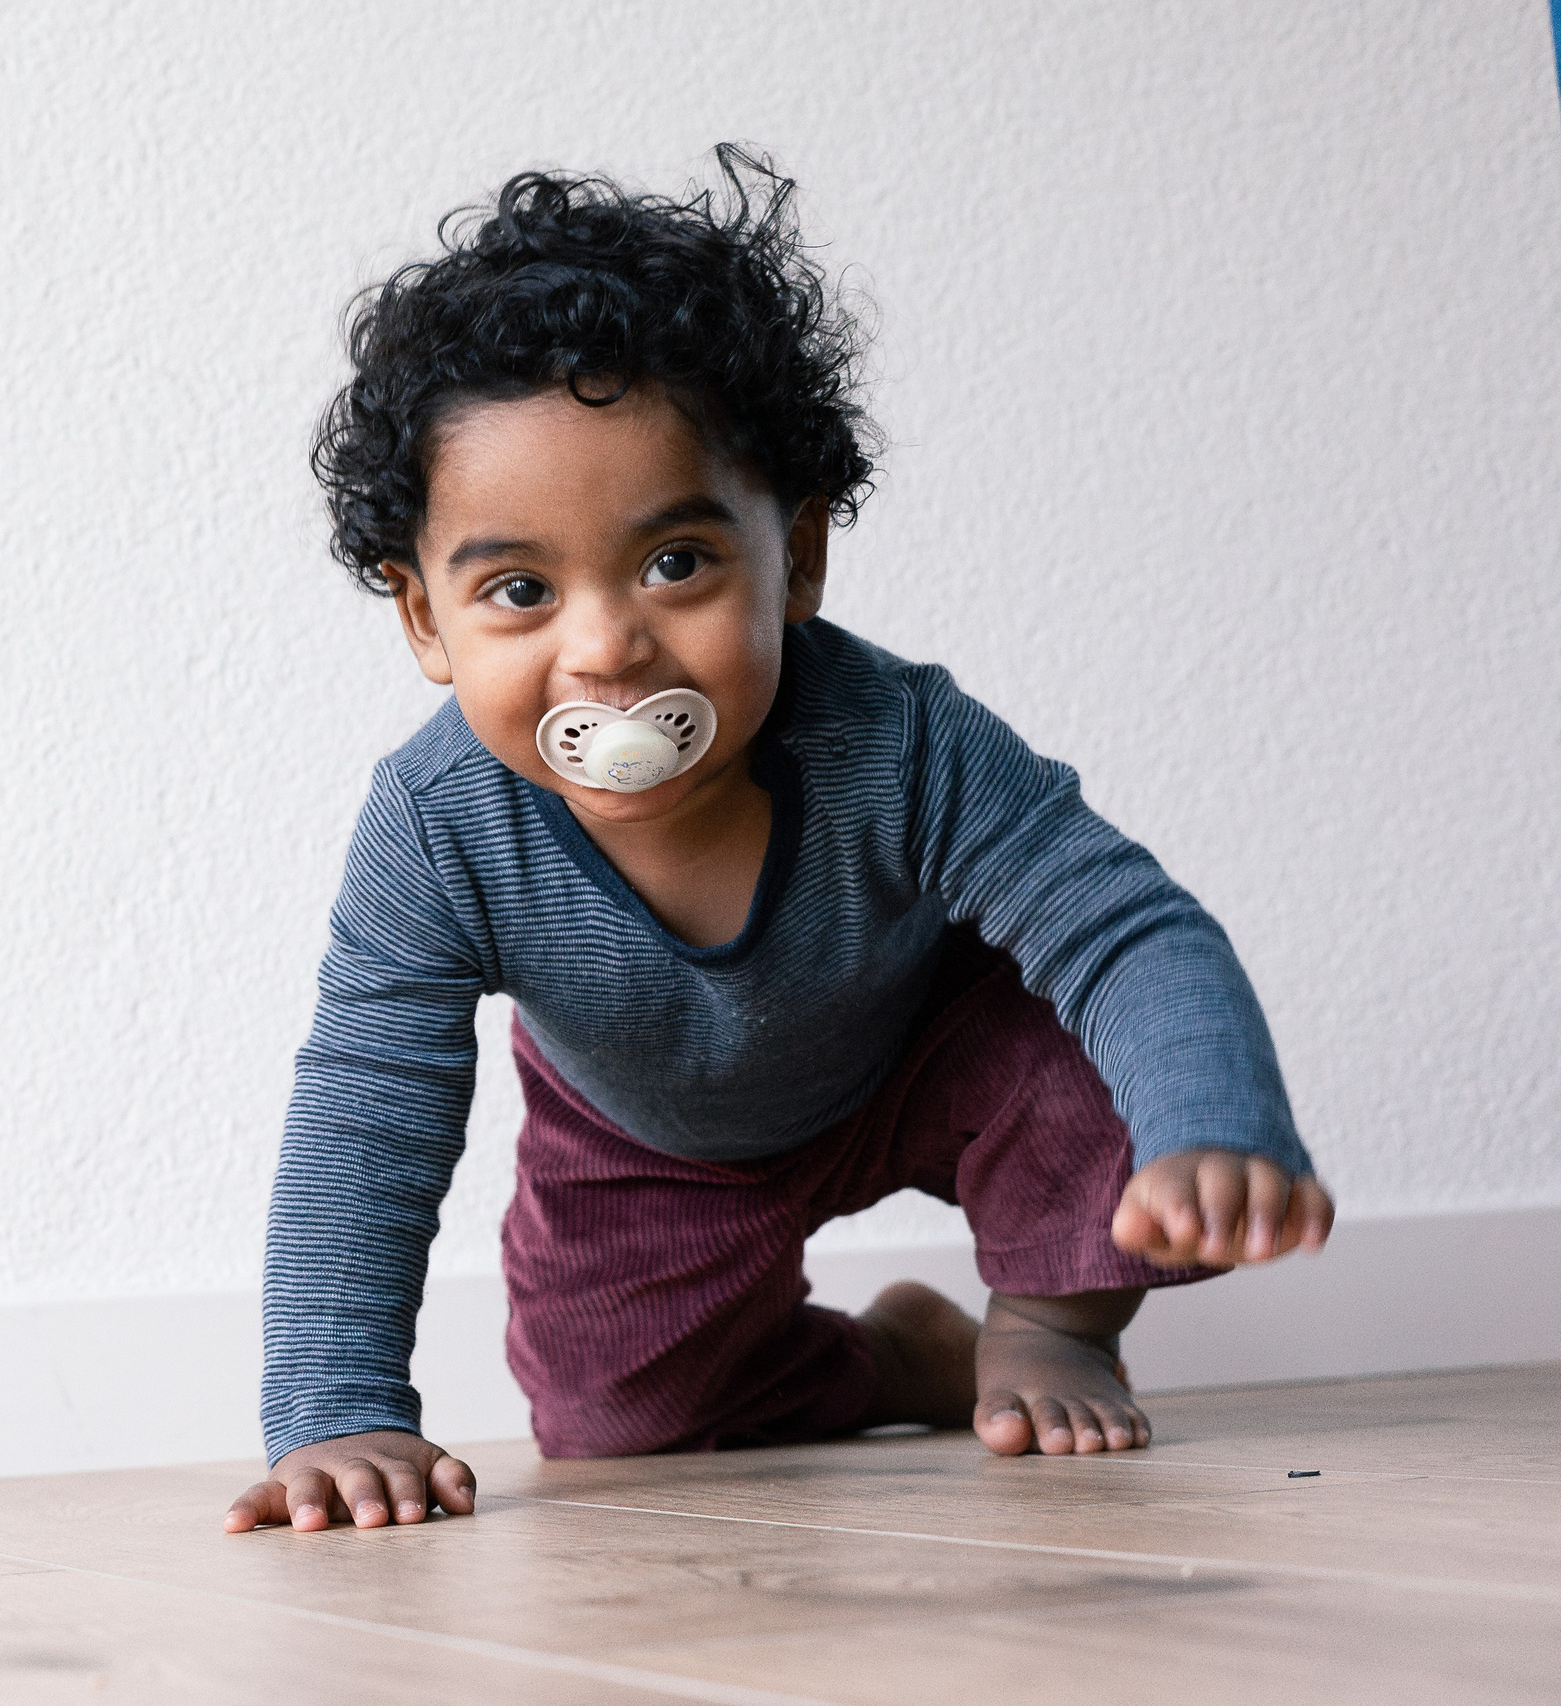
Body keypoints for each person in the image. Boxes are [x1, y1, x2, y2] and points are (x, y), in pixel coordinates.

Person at [224, 148, 1334, 1536]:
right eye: (518, 588)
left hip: (923, 1058)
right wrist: (334, 1405)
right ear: (424, 621)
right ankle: (896, 1359)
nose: (606, 646)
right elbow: (365, 1109)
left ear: (796, 557)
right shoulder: (439, 826)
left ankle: (1052, 1325)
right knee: (616, 1417)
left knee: (1079, 1058)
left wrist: (1210, 1123)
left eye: (676, 563)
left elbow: (1124, 929)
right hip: (642, 1133)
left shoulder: (901, 741)